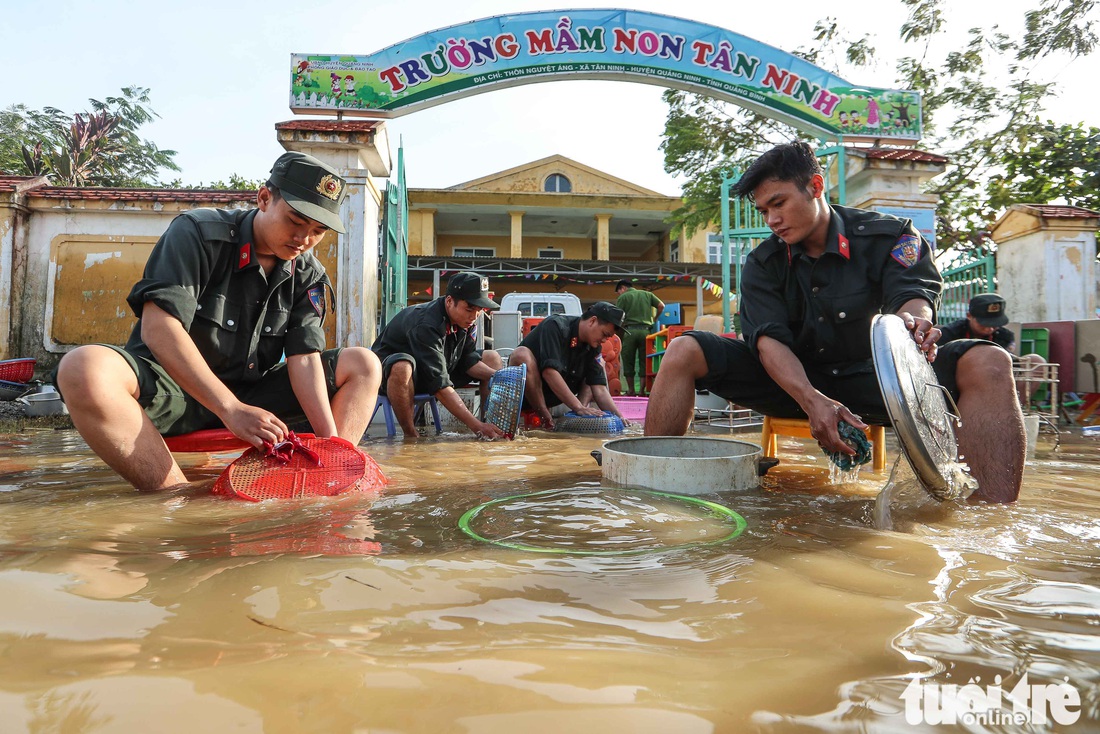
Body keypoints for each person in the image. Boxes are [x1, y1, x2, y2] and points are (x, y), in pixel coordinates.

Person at [645, 141, 1024, 503]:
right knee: (684, 349)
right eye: (763, 211)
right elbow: (767, 341)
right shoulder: (763, 263)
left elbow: (913, 294)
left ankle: (991, 517)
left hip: (881, 381)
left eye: (779, 203)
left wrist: (914, 322)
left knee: (990, 360)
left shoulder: (890, 236)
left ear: (815, 186)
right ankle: (647, 479)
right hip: (794, 385)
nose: (772, 220)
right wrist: (813, 400)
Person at [55, 152, 382, 492]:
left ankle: (322, 479)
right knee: (82, 367)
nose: (304, 238)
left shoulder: (308, 272)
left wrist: (332, 450)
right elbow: (158, 328)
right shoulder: (197, 233)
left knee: (364, 363)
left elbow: (304, 358)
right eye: (296, 221)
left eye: (318, 231)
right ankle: (176, 498)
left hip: (255, 397)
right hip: (173, 392)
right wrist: (230, 409)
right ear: (264, 198)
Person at [371, 271, 506, 440]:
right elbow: (438, 382)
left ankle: (490, 424)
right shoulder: (426, 324)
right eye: (470, 309)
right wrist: (475, 426)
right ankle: (410, 435)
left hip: (435, 368)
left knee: (491, 358)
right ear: (449, 301)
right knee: (402, 367)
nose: (474, 316)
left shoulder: (467, 321)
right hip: (394, 377)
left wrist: (500, 376)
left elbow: (468, 359)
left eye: (479, 310)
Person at [508, 302, 630, 430]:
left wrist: (620, 418)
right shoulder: (555, 326)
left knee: (598, 364)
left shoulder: (593, 347)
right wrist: (578, 407)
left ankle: (577, 419)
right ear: (592, 321)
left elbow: (599, 388)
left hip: (558, 396)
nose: (604, 340)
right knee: (521, 354)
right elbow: (549, 372)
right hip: (527, 396)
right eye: (604, 334)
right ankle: (546, 418)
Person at [939, 293, 1048, 406]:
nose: (989, 329)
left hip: (995, 382)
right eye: (984, 324)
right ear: (969, 316)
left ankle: (1011, 408)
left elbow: (1010, 367)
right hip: (959, 384)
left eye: (995, 324)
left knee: (1037, 361)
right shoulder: (950, 333)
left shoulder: (1005, 336)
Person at [615, 280, 665, 397]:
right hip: (646, 332)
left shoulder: (623, 297)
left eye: (618, 292)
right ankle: (642, 391)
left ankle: (631, 391)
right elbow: (661, 306)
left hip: (630, 331)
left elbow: (618, 317)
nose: (619, 294)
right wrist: (654, 318)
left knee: (628, 361)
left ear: (622, 288)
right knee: (645, 361)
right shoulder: (647, 294)